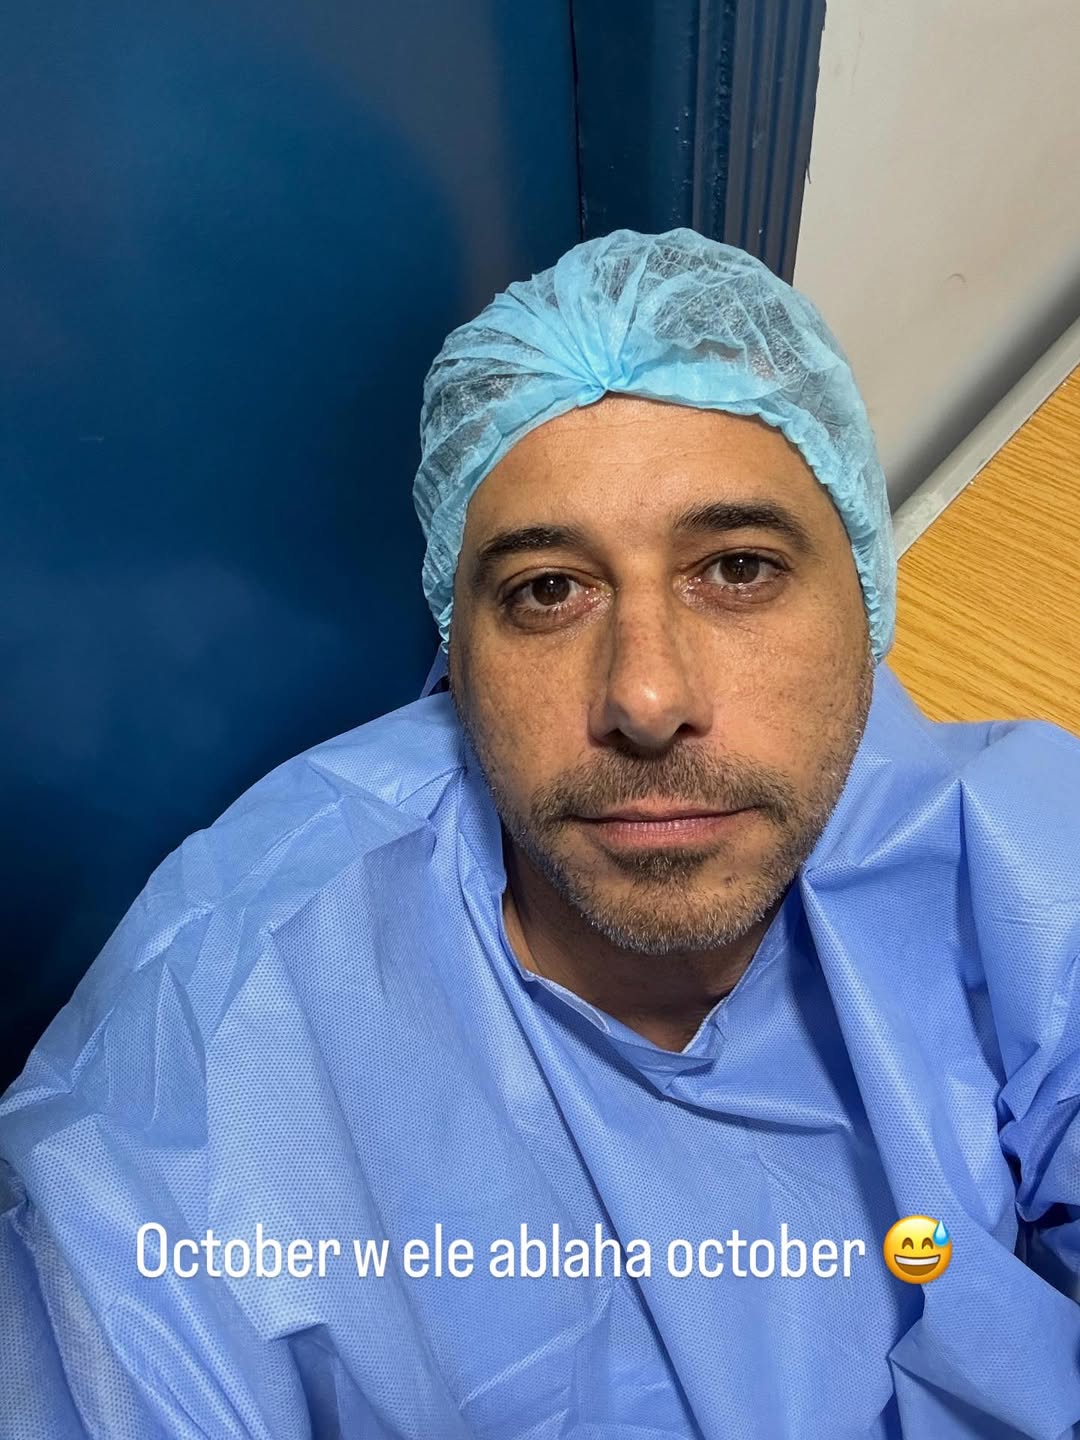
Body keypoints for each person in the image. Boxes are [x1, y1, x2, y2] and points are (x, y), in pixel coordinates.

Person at [2, 227, 1079, 1440]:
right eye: (548, 590)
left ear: (865, 605)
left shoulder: (1005, 862)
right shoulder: (213, 1045)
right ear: (456, 657)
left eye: (737, 568)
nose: (648, 696)